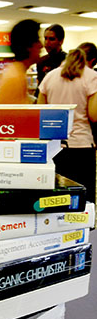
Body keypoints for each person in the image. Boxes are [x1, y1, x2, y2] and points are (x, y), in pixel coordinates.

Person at [37, 44, 97, 203]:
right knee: (83, 198)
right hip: (82, 145)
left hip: (56, 147)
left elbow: (41, 112)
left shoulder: (50, 76)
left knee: (58, 196)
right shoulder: (91, 76)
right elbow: (94, 115)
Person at [0, 19, 42, 104]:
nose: (41, 45)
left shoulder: (18, 72)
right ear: (28, 46)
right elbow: (11, 115)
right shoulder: (15, 78)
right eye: (38, 40)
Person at [36, 24, 66, 88]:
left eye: (51, 39)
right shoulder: (41, 61)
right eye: (45, 38)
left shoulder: (69, 61)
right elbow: (40, 86)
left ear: (61, 41)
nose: (47, 42)